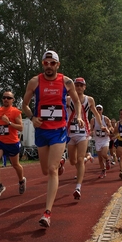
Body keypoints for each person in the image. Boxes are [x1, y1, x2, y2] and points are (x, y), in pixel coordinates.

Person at [22, 50, 84, 227]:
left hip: (59, 130)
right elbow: (24, 104)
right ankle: (61, 162)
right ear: (43, 64)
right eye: (46, 63)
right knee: (44, 170)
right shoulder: (35, 82)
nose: (49, 66)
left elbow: (77, 101)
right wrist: (32, 118)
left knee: (51, 170)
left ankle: (47, 212)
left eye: (52, 63)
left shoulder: (67, 82)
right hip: (42, 131)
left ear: (58, 65)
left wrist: (78, 116)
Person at [66, 79, 104, 198]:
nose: (78, 87)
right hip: (70, 132)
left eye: (81, 85)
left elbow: (95, 114)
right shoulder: (68, 99)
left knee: (80, 159)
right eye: (76, 85)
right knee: (73, 161)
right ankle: (88, 158)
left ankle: (78, 187)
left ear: (84, 87)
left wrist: (101, 125)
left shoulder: (90, 100)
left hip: (83, 132)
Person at [0, 91, 26, 199]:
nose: (6, 99)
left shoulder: (15, 112)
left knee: (15, 165)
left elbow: (21, 128)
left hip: (12, 142)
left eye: (8, 98)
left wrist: (9, 122)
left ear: (12, 100)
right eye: (4, 97)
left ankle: (21, 180)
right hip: (0, 141)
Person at [90, 104, 113, 179]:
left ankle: (107, 159)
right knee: (100, 158)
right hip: (97, 140)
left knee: (104, 153)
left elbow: (111, 127)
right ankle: (103, 170)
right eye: (97, 109)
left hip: (105, 139)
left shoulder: (105, 118)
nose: (98, 111)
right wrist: (91, 132)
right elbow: (91, 129)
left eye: (100, 109)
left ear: (102, 110)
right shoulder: (93, 120)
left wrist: (107, 129)